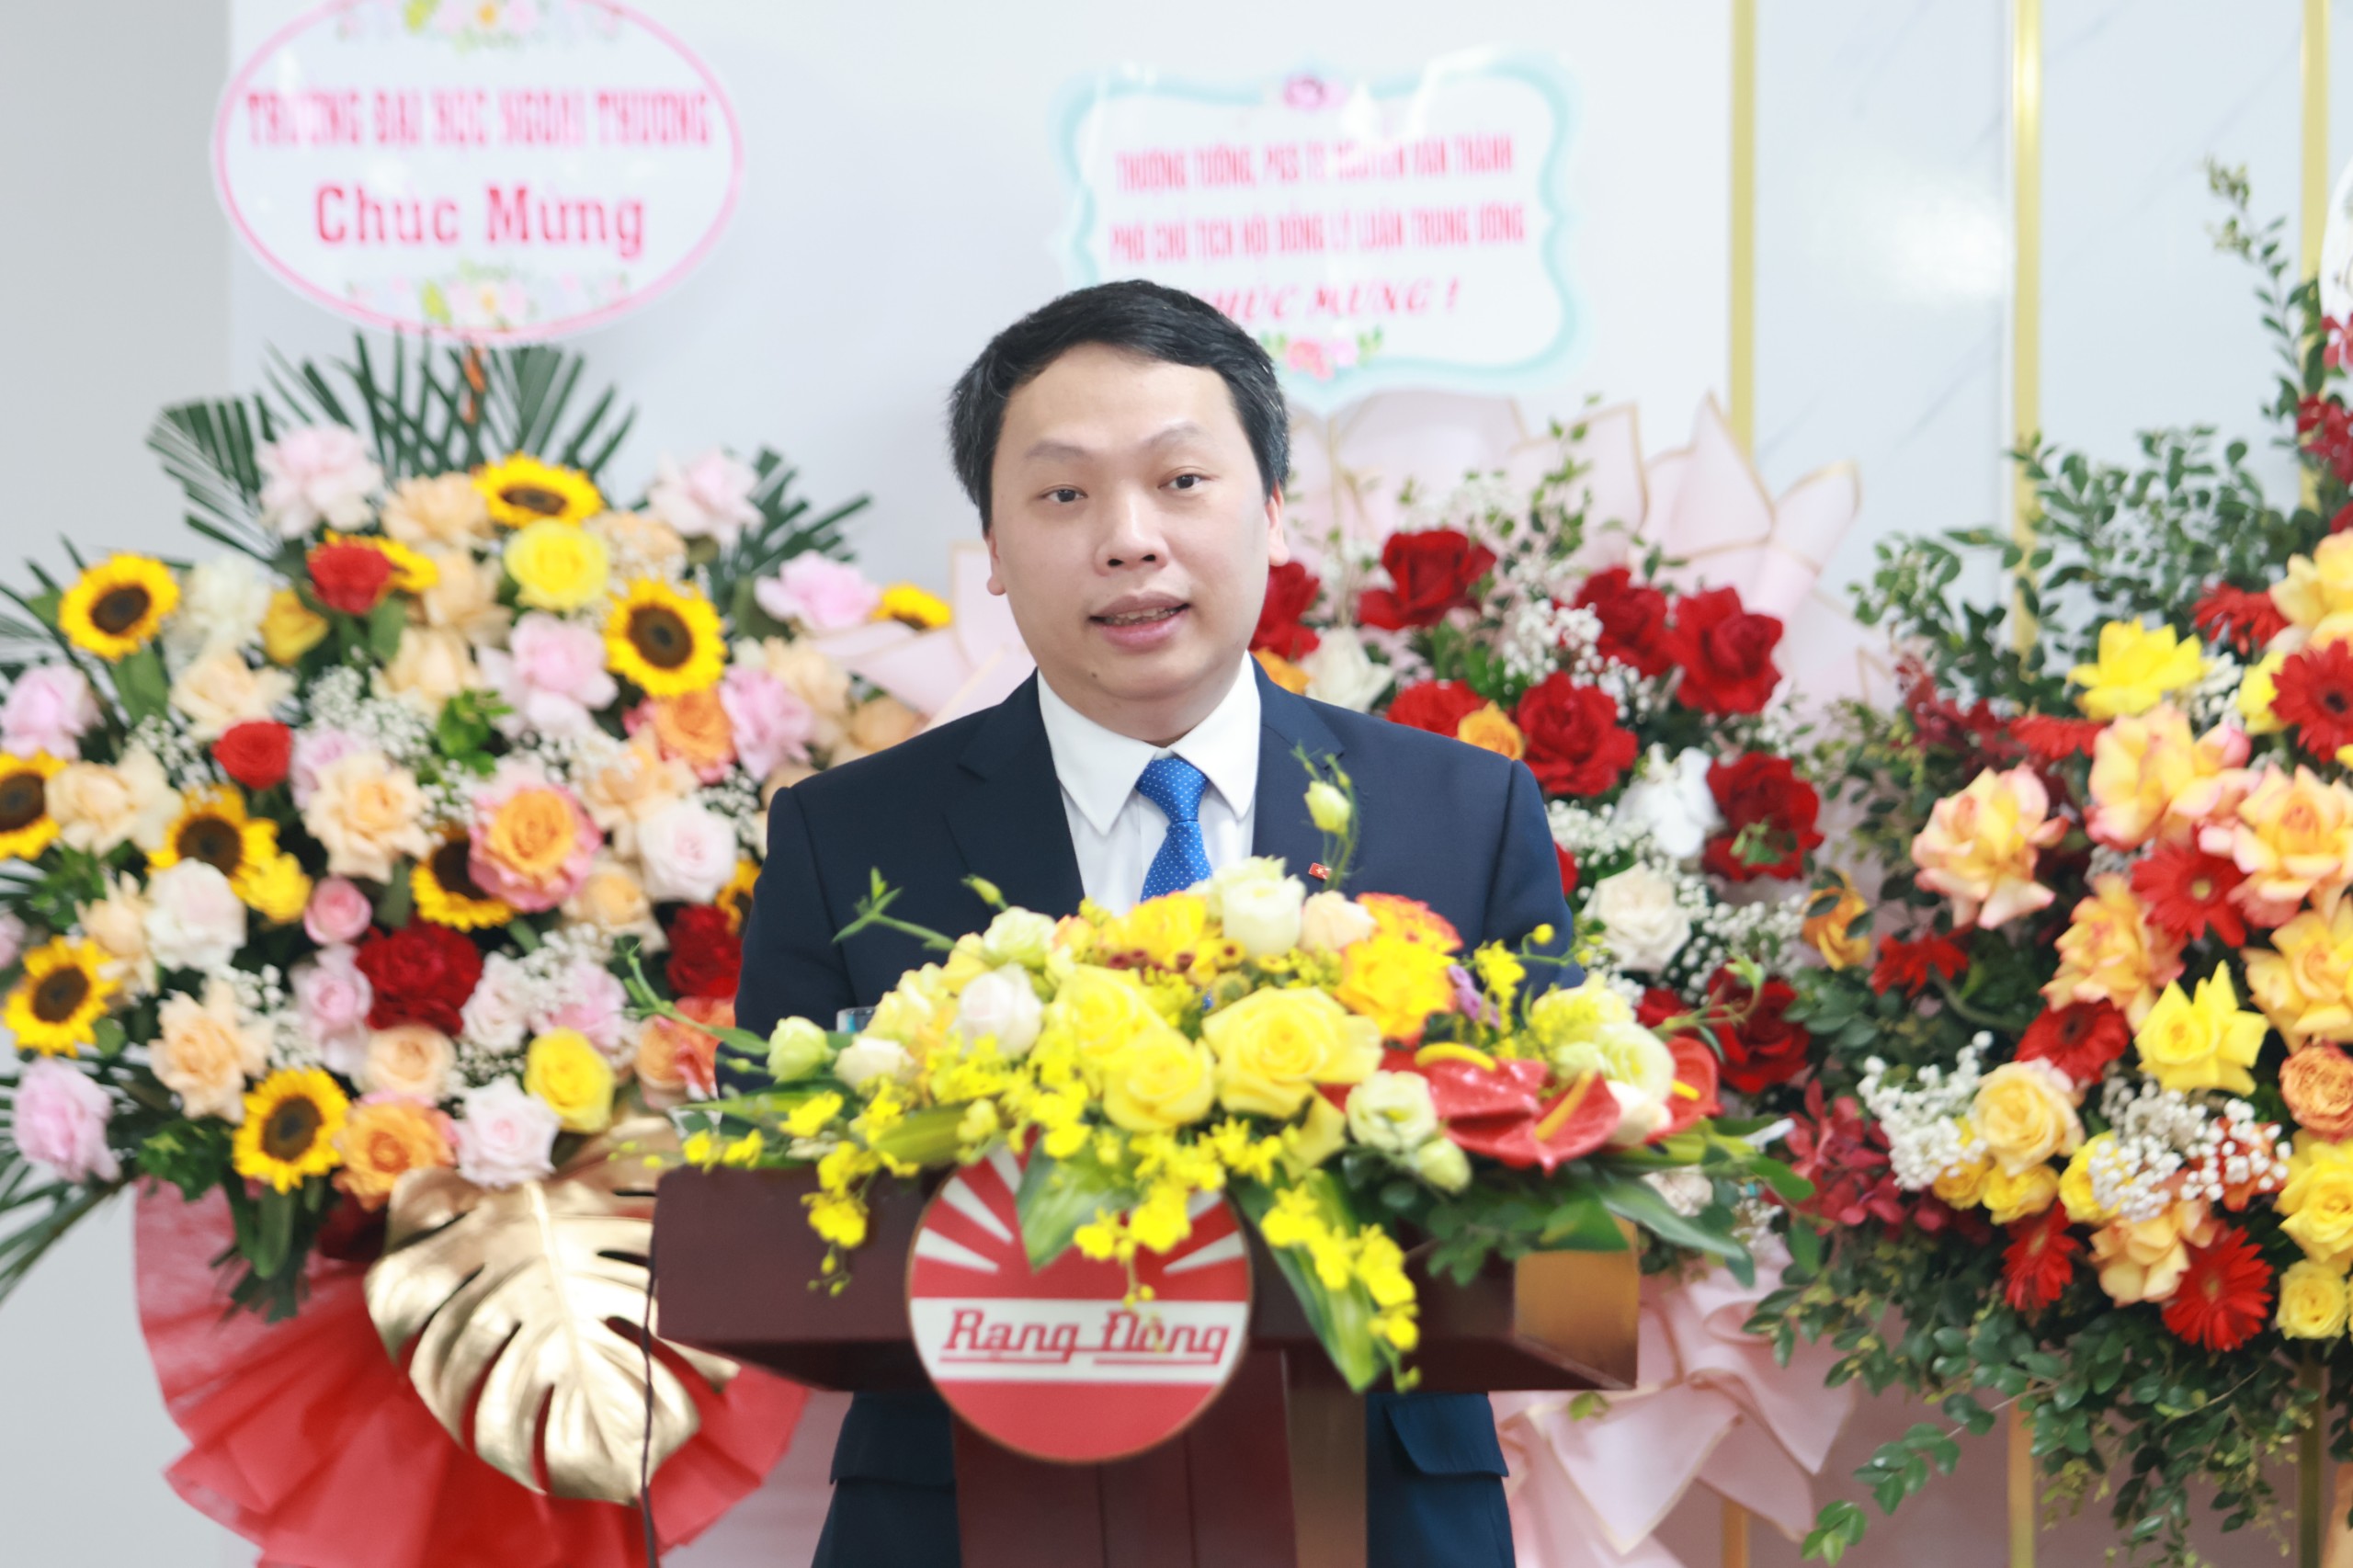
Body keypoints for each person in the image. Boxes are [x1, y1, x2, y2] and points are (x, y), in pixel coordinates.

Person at [735, 278, 1571, 1567]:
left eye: (1181, 481)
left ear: (1273, 509)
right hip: (957, 1515)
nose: (1129, 540)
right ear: (994, 547)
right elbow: (775, 1220)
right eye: (1064, 494)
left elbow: (1557, 1209)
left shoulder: (1464, 811)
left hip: (1377, 1514)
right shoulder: (846, 836)